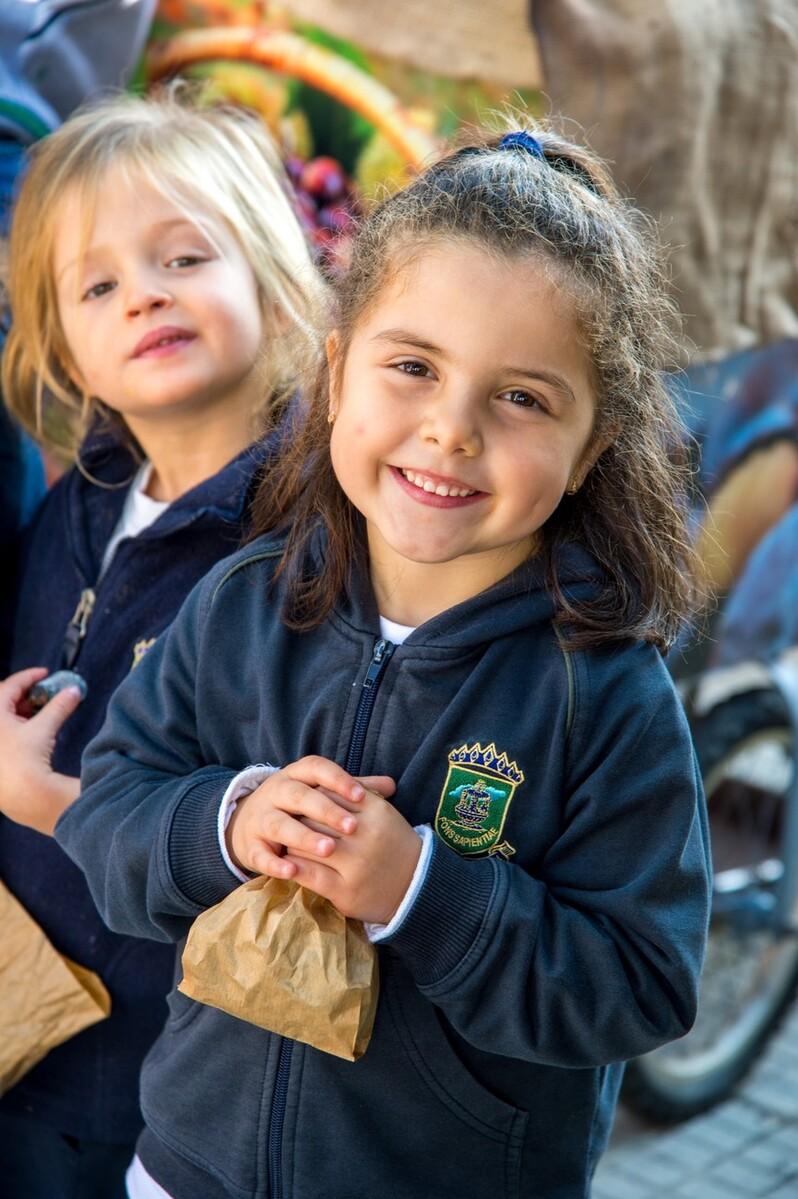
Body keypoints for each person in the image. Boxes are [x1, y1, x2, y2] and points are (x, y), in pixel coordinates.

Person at [58, 124, 711, 1199]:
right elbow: (107, 808)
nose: (449, 430)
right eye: (412, 366)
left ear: (594, 445)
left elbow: (640, 985)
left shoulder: (605, 696)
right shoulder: (241, 603)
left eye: (523, 397)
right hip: (187, 1167)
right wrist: (227, 818)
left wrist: (422, 890)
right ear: (336, 366)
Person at [0, 89, 327, 1198]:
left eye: (185, 257)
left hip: (174, 1077)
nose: (144, 291)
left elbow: (290, 828)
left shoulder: (307, 544)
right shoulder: (78, 502)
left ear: (273, 279)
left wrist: (55, 803)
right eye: (99, 285)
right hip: (32, 1022)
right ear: (67, 347)